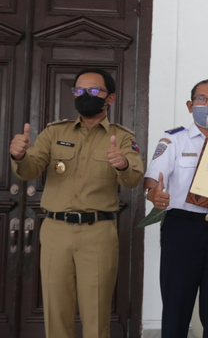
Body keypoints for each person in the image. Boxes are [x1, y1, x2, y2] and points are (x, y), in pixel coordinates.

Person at [9, 68, 144, 338]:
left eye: (93, 91)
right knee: (56, 313)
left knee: (96, 315)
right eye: (79, 91)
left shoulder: (123, 137)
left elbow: (133, 179)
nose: (85, 96)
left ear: (111, 98)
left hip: (98, 233)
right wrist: (20, 156)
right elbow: (30, 170)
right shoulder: (53, 132)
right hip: (56, 231)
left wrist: (123, 163)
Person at [143, 79, 208, 338]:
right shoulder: (173, 139)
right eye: (201, 99)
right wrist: (154, 195)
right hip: (181, 229)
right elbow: (153, 182)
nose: (207, 104)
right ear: (190, 106)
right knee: (177, 307)